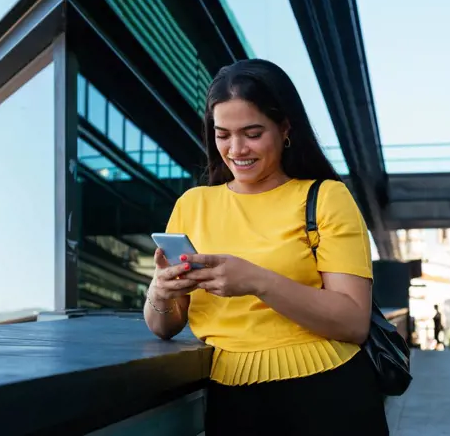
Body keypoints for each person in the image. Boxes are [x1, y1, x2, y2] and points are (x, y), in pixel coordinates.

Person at [143, 58, 388, 435]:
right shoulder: (192, 205)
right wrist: (160, 291)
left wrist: (257, 281)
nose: (236, 148)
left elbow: (354, 322)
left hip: (330, 395)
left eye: (252, 133)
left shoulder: (325, 197)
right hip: (230, 402)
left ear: (285, 127)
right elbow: (164, 327)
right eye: (222, 134)